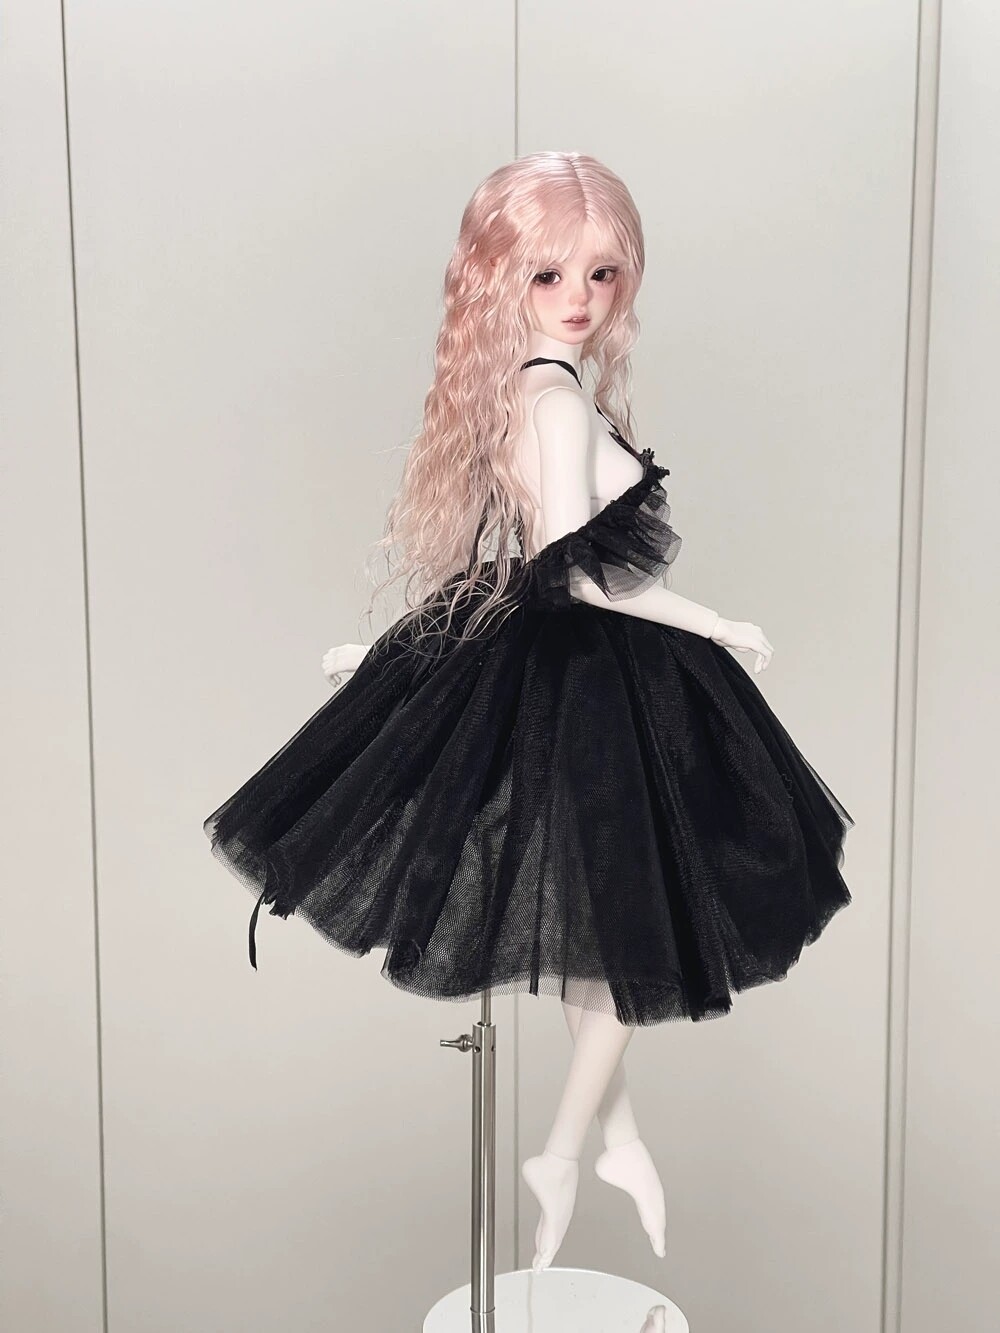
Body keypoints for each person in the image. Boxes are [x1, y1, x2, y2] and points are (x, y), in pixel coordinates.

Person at [204, 151, 853, 1271]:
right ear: (499, 276)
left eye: (602, 274)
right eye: (550, 275)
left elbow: (508, 568)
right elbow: (572, 571)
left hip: (559, 671)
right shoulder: (552, 400)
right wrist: (715, 623)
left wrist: (399, 657)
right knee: (634, 922)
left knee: (600, 921)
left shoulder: (527, 387)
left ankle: (615, 1136)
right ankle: (562, 1151)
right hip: (590, 680)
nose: (581, 299)